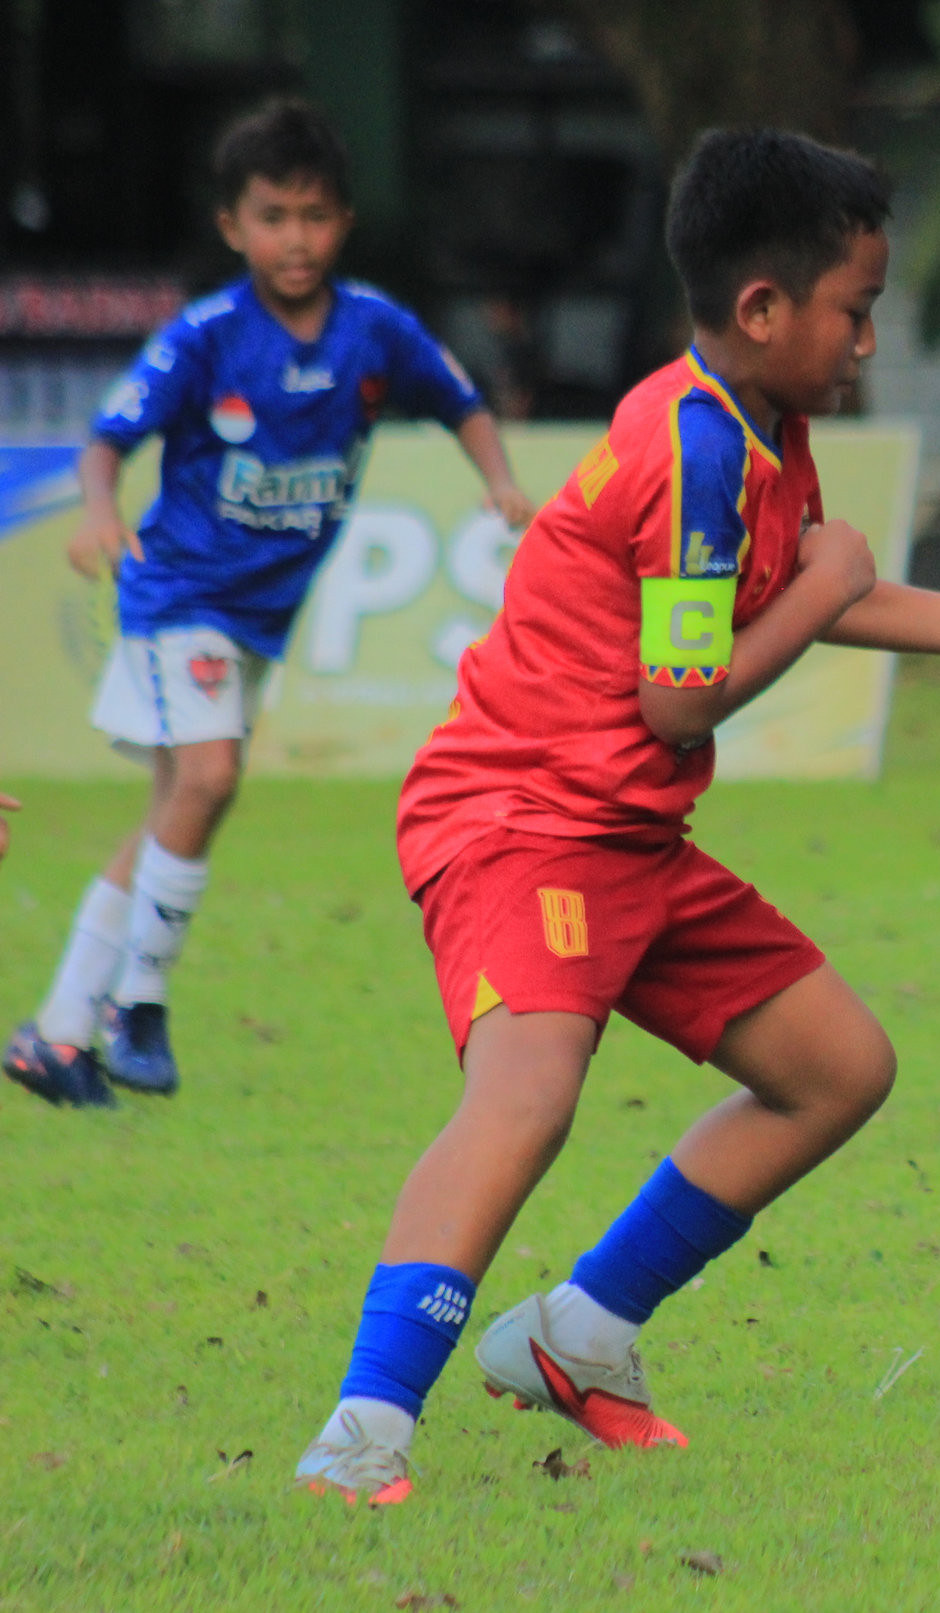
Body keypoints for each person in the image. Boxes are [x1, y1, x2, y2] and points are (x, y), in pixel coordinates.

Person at [293, 129, 940, 1505]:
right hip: (521, 819)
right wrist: (826, 587)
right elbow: (684, 700)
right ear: (762, 307)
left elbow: (806, 584)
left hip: (626, 836)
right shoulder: (694, 447)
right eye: (856, 310)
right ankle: (361, 1428)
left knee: (838, 1068)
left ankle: (577, 1335)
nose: (868, 342)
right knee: (525, 1097)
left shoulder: (759, 424)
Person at [4, 99, 536, 1111]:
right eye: (274, 216)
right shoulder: (207, 336)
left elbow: (460, 401)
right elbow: (109, 437)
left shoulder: (377, 328)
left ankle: (56, 1033)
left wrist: (500, 480)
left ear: (345, 222)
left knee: (176, 807)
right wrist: (99, 511)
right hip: (179, 592)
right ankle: (136, 1006)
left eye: (316, 216)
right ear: (231, 226)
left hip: (257, 616)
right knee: (209, 777)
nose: (297, 239)